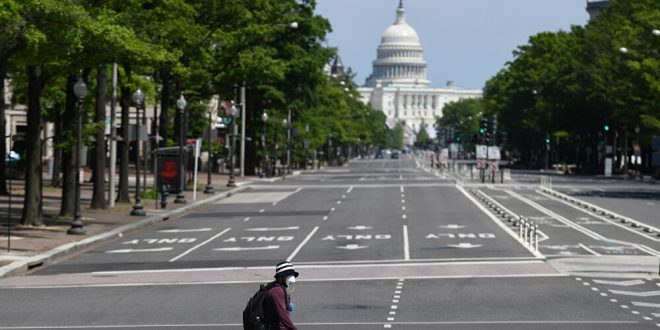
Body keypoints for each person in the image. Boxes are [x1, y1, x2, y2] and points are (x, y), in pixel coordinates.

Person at [263, 261, 299, 330]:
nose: (291, 278)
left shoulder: (280, 288)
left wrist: (287, 305)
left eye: (292, 275)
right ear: (280, 277)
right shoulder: (277, 291)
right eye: (288, 275)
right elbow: (283, 316)